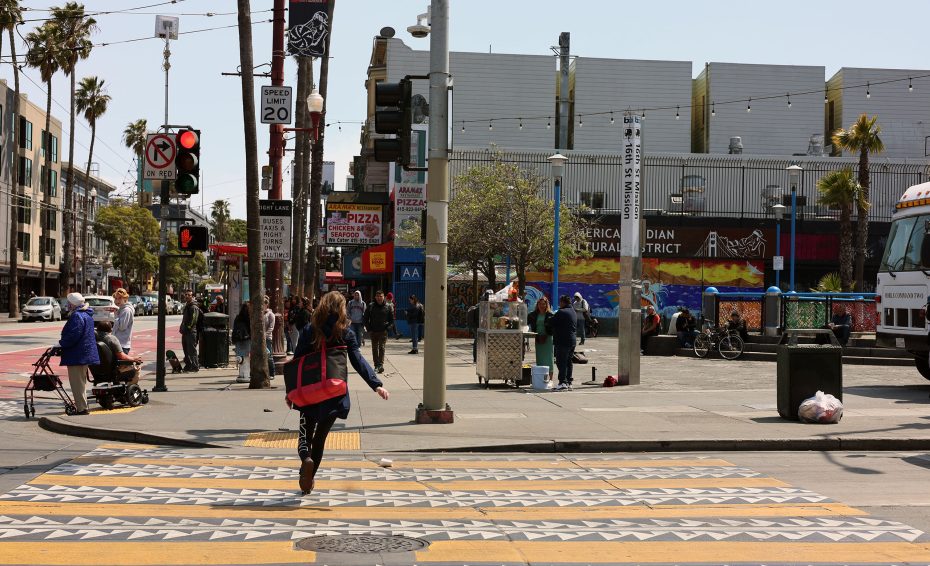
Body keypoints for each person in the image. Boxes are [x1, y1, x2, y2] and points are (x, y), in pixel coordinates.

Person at [289, 291, 390, 494]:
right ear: (342, 309)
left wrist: (290, 392)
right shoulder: (346, 332)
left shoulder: (310, 330)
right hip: (334, 394)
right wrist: (376, 384)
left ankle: (305, 461)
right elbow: (358, 360)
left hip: (309, 392)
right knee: (320, 439)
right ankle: (309, 478)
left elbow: (297, 361)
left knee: (305, 436)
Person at [59, 293, 99, 416]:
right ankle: (83, 406)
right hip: (85, 353)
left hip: (77, 354)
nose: (67, 305)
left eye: (68, 303)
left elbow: (73, 335)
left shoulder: (76, 316)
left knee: (76, 383)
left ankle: (82, 409)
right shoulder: (87, 315)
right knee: (81, 382)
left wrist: (61, 344)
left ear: (72, 304)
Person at [363, 290, 393, 373]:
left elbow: (391, 320)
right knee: (375, 348)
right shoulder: (371, 306)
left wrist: (388, 328)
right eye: (378, 296)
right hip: (374, 331)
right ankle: (376, 365)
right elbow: (365, 318)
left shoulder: (388, 306)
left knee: (382, 347)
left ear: (384, 297)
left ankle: (381, 365)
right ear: (375, 297)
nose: (379, 298)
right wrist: (369, 329)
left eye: (381, 296)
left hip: (383, 331)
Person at [528, 296, 555, 381]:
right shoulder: (533, 314)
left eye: (543, 304)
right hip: (538, 338)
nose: (541, 306)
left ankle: (550, 379)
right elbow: (526, 321)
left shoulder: (550, 315)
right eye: (539, 304)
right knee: (539, 358)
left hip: (548, 338)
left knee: (549, 359)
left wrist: (547, 334)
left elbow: (554, 328)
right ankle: (540, 378)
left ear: (546, 305)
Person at [180, 291, 201, 372]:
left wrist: (188, 327)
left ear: (192, 296)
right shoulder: (187, 306)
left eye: (189, 295)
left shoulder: (193, 307)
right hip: (185, 332)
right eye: (186, 295)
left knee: (191, 350)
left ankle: (195, 366)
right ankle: (188, 365)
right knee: (186, 350)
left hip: (191, 332)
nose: (187, 296)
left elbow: (194, 319)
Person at [232, 301, 252, 383]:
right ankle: (246, 374)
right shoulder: (249, 317)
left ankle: (242, 374)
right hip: (247, 339)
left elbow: (234, 328)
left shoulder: (238, 317)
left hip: (239, 339)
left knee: (241, 357)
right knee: (246, 357)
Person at [112, 288, 134, 355]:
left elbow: (122, 327)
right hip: (119, 343)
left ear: (125, 298)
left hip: (122, 344)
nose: (117, 300)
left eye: (120, 298)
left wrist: (116, 316)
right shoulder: (121, 309)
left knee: (121, 364)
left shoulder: (126, 310)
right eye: (116, 298)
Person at [262, 296, 276, 380]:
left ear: (266, 304)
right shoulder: (259, 313)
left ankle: (272, 373)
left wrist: (265, 335)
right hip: (260, 338)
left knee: (269, 355)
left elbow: (271, 327)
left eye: (263, 304)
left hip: (267, 338)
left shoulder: (271, 314)